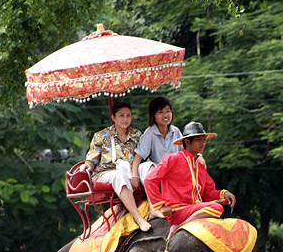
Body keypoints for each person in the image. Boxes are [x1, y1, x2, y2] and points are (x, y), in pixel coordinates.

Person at [76, 100, 155, 232]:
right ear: (113, 117)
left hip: (131, 171)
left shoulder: (137, 134)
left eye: (128, 115)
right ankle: (138, 217)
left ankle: (154, 208)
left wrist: (135, 173)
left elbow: (143, 155)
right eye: (121, 115)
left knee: (148, 166)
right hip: (107, 173)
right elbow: (92, 159)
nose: (125, 119)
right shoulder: (101, 136)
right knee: (118, 176)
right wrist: (87, 165)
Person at [143, 121, 236, 232]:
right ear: (187, 142)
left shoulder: (200, 165)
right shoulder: (172, 159)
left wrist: (224, 194)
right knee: (217, 208)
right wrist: (161, 206)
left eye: (203, 140)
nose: (203, 143)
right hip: (177, 211)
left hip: (196, 210)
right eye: (198, 140)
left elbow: (208, 192)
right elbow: (149, 180)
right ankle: (179, 227)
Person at [130, 96, 182, 193]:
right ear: (153, 115)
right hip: (161, 176)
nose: (165, 115)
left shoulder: (176, 131)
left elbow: (187, 152)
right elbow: (138, 157)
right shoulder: (150, 133)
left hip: (177, 174)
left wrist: (199, 156)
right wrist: (134, 176)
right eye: (160, 112)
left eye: (168, 111)